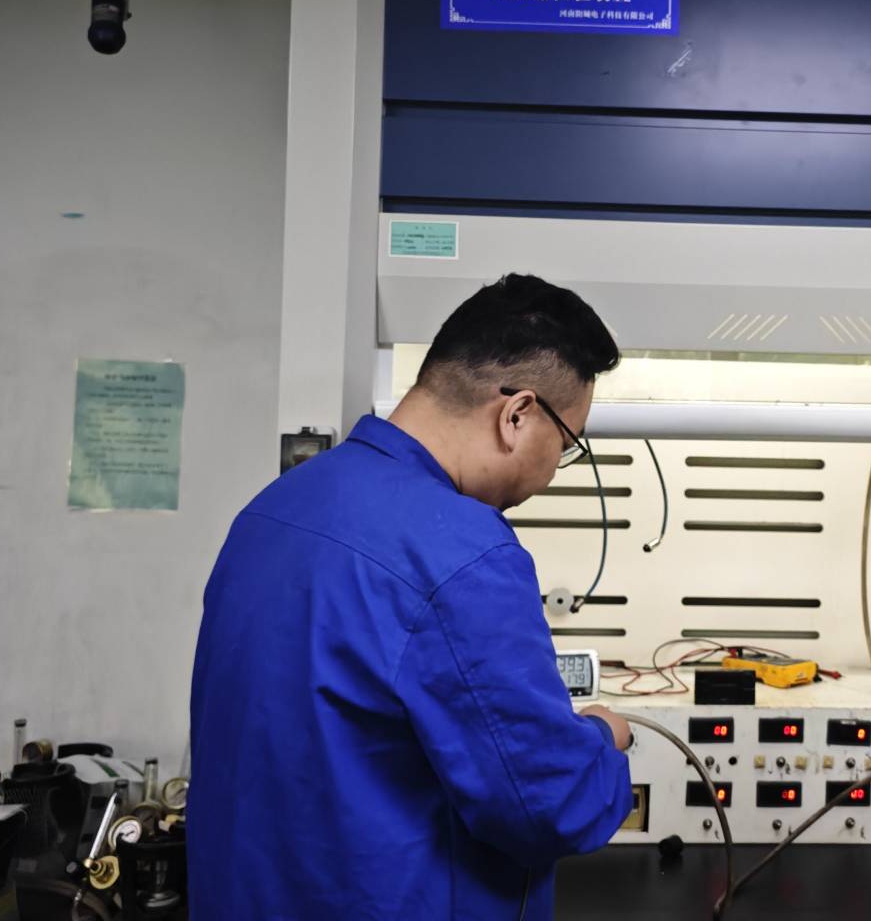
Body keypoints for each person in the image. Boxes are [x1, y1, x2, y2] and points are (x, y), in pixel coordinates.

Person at [188, 274, 634, 919]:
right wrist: (601, 737)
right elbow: (546, 804)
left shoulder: (274, 509)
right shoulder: (463, 553)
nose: (550, 473)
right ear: (518, 414)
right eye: (565, 445)